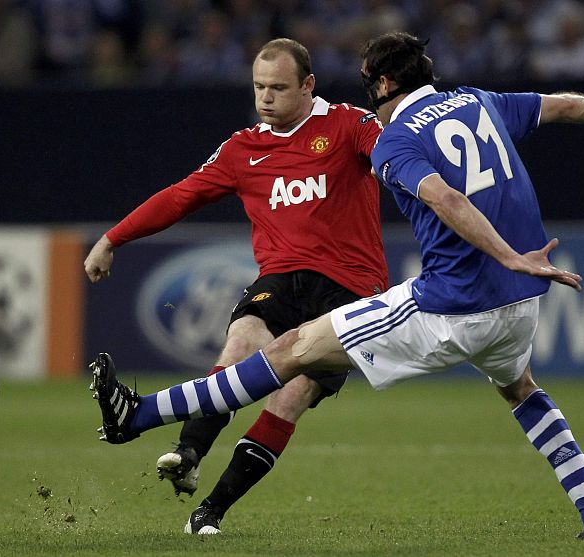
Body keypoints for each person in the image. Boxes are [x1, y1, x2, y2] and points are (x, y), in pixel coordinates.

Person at [90, 31, 584, 540]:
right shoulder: (479, 102)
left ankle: (136, 417)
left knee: (289, 353)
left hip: (448, 306)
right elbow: (555, 106)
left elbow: (445, 198)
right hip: (515, 308)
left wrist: (512, 256)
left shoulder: (389, 139)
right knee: (522, 392)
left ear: (384, 82)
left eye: (368, 84)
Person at [85, 38, 388, 535]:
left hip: (352, 293)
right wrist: (113, 237)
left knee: (288, 394)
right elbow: (181, 197)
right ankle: (189, 452)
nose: (266, 98)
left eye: (278, 88)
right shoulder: (243, 148)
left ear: (308, 85)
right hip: (280, 280)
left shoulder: (349, 125)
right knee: (241, 339)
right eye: (258, 87)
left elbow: (397, 156)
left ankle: (212, 510)